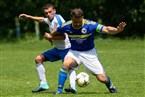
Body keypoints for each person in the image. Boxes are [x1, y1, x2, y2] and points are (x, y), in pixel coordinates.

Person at [44, 8, 126, 94]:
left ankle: (110, 85)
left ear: (82, 17)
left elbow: (106, 29)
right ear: (71, 18)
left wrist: (117, 30)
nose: (78, 23)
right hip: (74, 51)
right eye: (75, 22)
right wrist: (50, 36)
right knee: (65, 64)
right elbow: (56, 30)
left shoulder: (90, 25)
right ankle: (59, 90)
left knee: (102, 78)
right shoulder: (66, 25)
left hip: (89, 53)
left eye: (80, 21)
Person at [19, 4, 77, 93]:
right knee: (38, 59)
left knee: (68, 67)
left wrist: (50, 38)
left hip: (66, 48)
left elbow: (63, 36)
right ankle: (43, 84)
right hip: (57, 49)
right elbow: (41, 19)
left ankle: (72, 87)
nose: (48, 14)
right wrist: (28, 16)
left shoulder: (58, 20)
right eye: (46, 13)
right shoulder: (50, 19)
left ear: (54, 11)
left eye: (50, 12)